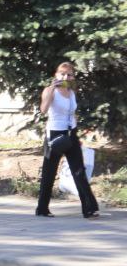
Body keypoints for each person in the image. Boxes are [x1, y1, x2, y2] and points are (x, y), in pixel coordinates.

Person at [36, 61, 99, 218]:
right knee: (49, 173)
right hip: (55, 135)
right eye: (62, 73)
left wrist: (76, 133)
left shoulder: (71, 93)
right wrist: (51, 88)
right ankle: (42, 209)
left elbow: (72, 113)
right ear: (56, 75)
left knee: (79, 171)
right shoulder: (49, 90)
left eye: (69, 74)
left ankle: (89, 208)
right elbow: (43, 110)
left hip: (70, 135)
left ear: (73, 77)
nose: (65, 76)